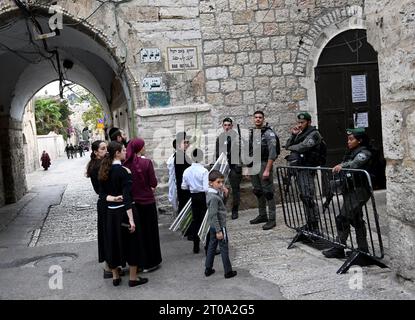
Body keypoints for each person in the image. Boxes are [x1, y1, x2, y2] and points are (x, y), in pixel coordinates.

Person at [98, 141, 148, 287]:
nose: (126, 152)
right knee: (132, 244)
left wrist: (113, 198)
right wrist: (131, 220)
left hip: (110, 215)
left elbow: (102, 195)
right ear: (117, 153)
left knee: (112, 244)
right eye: (124, 150)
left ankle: (115, 277)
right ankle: (133, 278)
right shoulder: (124, 171)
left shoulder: (103, 170)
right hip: (124, 214)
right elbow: (126, 198)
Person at [322, 128, 372, 259]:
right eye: (348, 139)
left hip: (359, 190)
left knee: (343, 218)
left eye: (351, 139)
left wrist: (341, 166)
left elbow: (355, 164)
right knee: (356, 220)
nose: (348, 142)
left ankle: (339, 247)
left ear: (359, 140)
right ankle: (363, 250)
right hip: (351, 189)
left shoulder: (364, 152)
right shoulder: (351, 152)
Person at [124, 138, 162, 272]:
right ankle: (151, 262)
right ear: (140, 148)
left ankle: (139, 262)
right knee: (150, 233)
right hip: (147, 202)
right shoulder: (146, 163)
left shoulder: (125, 165)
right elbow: (153, 183)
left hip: (134, 204)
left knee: (138, 235)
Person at [285, 112, 323, 233]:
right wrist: (293, 135)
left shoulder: (314, 134)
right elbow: (287, 144)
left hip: (307, 169)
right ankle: (309, 223)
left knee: (308, 197)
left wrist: (291, 147)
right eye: (299, 122)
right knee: (304, 197)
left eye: (302, 122)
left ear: (309, 122)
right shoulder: (300, 134)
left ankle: (315, 225)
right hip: (300, 169)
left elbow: (303, 147)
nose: (300, 125)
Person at [86, 140, 119, 279]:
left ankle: (111, 266)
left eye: (106, 148)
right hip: (106, 203)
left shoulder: (97, 164)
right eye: (102, 148)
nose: (106, 151)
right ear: (95, 152)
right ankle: (109, 267)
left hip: (104, 202)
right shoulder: (98, 166)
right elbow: (102, 189)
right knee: (108, 234)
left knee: (107, 234)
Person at [249, 111, 279, 230]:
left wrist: (267, 170)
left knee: (268, 192)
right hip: (255, 165)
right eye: (256, 117)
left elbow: (272, 153)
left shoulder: (268, 133)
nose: (257, 119)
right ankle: (262, 215)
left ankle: (272, 219)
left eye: (260, 117)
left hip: (264, 164)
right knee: (257, 190)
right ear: (253, 119)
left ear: (263, 119)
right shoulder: (254, 133)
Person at [204, 170, 237, 279]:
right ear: (211, 183)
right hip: (219, 226)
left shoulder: (213, 194)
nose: (221, 184)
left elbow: (221, 205)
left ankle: (208, 268)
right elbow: (213, 214)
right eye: (218, 182)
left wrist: (226, 194)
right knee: (223, 247)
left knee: (212, 246)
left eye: (222, 182)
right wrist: (219, 231)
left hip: (214, 225)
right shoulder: (213, 197)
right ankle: (228, 271)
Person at [181, 148, 209, 254]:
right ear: (201, 158)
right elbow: (206, 189)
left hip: (193, 196)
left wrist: (192, 186)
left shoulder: (187, 171)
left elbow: (183, 186)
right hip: (202, 196)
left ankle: (196, 246)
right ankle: (207, 246)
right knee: (205, 221)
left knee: (195, 220)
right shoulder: (204, 171)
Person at [215, 117, 242, 219]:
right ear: (223, 126)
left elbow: (239, 152)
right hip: (224, 166)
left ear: (232, 126)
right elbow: (218, 153)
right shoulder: (220, 138)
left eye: (228, 125)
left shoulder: (236, 137)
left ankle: (235, 210)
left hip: (234, 166)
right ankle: (222, 210)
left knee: (235, 189)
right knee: (220, 188)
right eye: (225, 125)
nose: (226, 127)